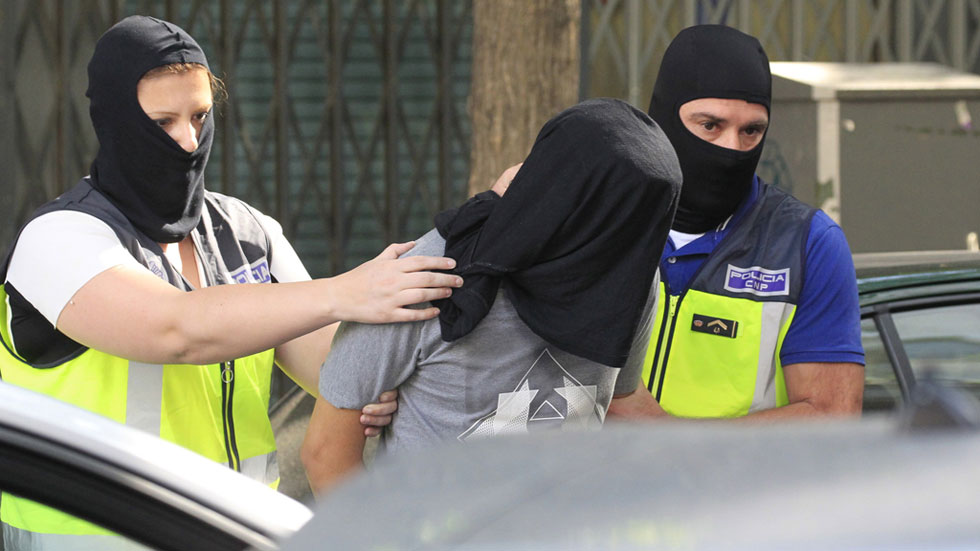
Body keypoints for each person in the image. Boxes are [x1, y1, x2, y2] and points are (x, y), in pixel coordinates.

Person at [0, 16, 463, 548]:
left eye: (200, 116)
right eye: (163, 122)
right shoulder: (58, 238)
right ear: (114, 122)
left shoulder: (246, 231)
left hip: (237, 529)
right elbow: (176, 329)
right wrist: (347, 291)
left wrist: (368, 387)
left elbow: (332, 368)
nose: (188, 140)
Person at [301, 98, 682, 493]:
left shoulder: (631, 281)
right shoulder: (425, 273)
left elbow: (622, 400)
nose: (635, 246)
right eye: (623, 221)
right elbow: (326, 454)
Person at [610, 25, 864, 421]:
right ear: (664, 117)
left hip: (739, 483)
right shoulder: (601, 220)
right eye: (710, 125)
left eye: (751, 131)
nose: (732, 149)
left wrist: (667, 443)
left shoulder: (806, 244)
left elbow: (831, 415)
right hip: (588, 480)